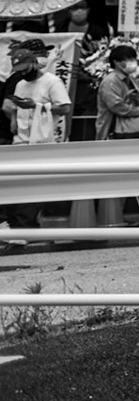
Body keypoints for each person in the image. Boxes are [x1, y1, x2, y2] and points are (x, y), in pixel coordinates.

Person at [3, 39, 69, 246]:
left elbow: (65, 108)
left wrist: (37, 106)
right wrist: (15, 118)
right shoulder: (20, 84)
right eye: (19, 70)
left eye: (25, 68)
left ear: (34, 62)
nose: (23, 73)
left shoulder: (52, 81)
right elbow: (12, 107)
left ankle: (24, 228)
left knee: (35, 185)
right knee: (15, 185)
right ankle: (16, 226)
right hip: (20, 140)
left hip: (41, 141)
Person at [96, 44, 139, 140]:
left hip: (136, 129)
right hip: (116, 132)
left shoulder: (132, 79)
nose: (132, 62)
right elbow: (117, 106)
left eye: (133, 59)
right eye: (128, 59)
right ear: (116, 62)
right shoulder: (110, 81)